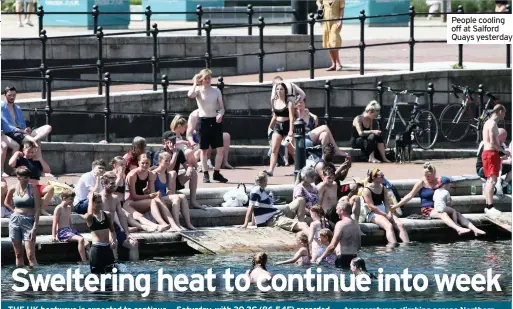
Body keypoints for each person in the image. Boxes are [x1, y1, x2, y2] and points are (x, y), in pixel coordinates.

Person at [187, 69, 228, 183]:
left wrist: (220, 114)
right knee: (204, 150)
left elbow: (222, 108)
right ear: (201, 79)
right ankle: (205, 173)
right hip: (203, 120)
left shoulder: (216, 91)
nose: (207, 80)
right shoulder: (199, 91)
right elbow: (190, 95)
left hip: (215, 120)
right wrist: (195, 83)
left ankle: (216, 172)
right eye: (205, 78)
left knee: (220, 149)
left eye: (209, 78)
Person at [2, 86, 52, 176]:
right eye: (9, 95)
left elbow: (22, 124)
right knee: (34, 142)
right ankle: (38, 169)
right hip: (12, 133)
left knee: (48, 127)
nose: (12, 97)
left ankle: (33, 139)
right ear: (5, 95)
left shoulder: (17, 108)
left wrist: (26, 129)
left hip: (22, 133)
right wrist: (21, 130)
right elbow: (6, 126)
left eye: (14, 95)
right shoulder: (2, 107)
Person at [240, 171, 308, 233]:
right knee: (304, 225)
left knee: (300, 200)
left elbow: (255, 207)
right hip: (273, 219)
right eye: (266, 181)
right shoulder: (256, 190)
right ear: (264, 181)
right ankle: (306, 233)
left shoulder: (259, 190)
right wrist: (245, 224)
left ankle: (300, 223)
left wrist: (253, 222)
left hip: (278, 214)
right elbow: (251, 206)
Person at [153, 131, 204, 210]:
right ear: (165, 141)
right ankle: (173, 203)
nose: (173, 143)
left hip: (175, 181)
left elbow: (186, 164)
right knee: (172, 173)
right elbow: (168, 168)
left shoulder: (178, 151)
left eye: (174, 140)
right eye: (170, 141)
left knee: (193, 173)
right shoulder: (160, 153)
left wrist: (189, 168)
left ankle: (193, 201)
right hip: (162, 182)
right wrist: (174, 154)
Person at [362, 168, 409, 247]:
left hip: (384, 210)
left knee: (401, 225)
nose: (384, 178)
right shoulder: (367, 190)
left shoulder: (383, 188)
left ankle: (407, 246)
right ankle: (392, 246)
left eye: (383, 176)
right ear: (374, 177)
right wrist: (385, 215)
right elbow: (372, 206)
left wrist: (389, 213)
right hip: (372, 213)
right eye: (381, 176)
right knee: (389, 226)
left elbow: (387, 203)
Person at [100, 173, 141, 261]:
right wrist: (110, 235)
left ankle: (135, 269)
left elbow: (121, 216)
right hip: (102, 230)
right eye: (111, 183)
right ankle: (115, 268)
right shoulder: (98, 199)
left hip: (115, 228)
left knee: (134, 243)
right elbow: (98, 219)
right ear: (104, 184)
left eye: (114, 183)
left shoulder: (115, 198)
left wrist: (127, 233)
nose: (114, 185)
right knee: (114, 243)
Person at [4, 166, 41, 267]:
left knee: (30, 255)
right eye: (24, 177)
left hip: (29, 220)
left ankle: (35, 280)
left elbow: (38, 208)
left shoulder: (32, 188)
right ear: (18, 177)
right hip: (15, 220)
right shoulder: (13, 188)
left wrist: (35, 228)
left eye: (28, 176)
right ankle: (19, 280)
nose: (27, 179)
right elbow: (6, 202)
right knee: (18, 254)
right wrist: (13, 211)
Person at [152, 151, 197, 230]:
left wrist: (170, 191)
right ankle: (177, 224)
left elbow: (169, 190)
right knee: (176, 198)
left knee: (182, 196)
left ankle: (188, 224)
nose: (168, 163)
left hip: (164, 197)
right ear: (159, 161)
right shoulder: (153, 174)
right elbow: (151, 192)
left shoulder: (167, 174)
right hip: (157, 198)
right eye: (166, 161)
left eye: (169, 161)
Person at [9, 140, 54, 216]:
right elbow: (11, 163)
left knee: (50, 188)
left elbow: (48, 170)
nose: (30, 154)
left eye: (32, 152)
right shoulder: (21, 160)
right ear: (23, 150)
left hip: (36, 187)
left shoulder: (36, 161)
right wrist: (16, 153)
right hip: (25, 188)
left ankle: (42, 209)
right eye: (28, 152)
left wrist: (40, 159)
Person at [125, 154, 171, 228]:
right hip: (130, 201)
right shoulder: (132, 175)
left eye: (147, 163)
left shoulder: (150, 173)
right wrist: (149, 196)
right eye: (143, 163)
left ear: (150, 163)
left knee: (158, 199)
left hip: (141, 199)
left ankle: (172, 223)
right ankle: (162, 224)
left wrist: (155, 194)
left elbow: (150, 191)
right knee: (152, 201)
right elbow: (133, 196)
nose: (145, 165)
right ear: (138, 162)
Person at [315, 200, 360, 268]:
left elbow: (332, 245)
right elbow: (359, 246)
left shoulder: (340, 224)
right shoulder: (356, 224)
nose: (336, 212)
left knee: (340, 278)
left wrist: (321, 258)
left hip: (343, 258)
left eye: (337, 210)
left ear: (341, 211)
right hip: (354, 258)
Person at [265, 82, 296, 176]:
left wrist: (291, 130)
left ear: (285, 91)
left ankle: (300, 167)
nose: (279, 91)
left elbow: (291, 117)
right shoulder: (274, 101)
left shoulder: (289, 103)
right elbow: (275, 115)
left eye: (281, 89)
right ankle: (271, 170)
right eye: (277, 89)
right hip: (278, 126)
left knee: (291, 150)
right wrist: (270, 126)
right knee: (274, 149)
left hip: (287, 125)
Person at [481, 104, 507, 215]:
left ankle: (488, 206)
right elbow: (492, 142)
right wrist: (504, 151)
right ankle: (490, 207)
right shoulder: (492, 124)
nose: (504, 115)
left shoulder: (487, 123)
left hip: (486, 153)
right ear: (500, 111)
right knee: (492, 181)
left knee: (489, 181)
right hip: (491, 154)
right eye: (504, 113)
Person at [52, 189, 90, 262]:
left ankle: (92, 261)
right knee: (81, 239)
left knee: (87, 243)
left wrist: (73, 230)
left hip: (70, 230)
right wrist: (53, 236)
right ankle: (84, 261)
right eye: (71, 199)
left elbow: (69, 220)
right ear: (64, 198)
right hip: (62, 232)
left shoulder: (69, 208)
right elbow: (55, 223)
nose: (72, 201)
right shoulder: (58, 208)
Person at [84, 192, 117, 274]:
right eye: (97, 202)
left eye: (101, 201)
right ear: (92, 203)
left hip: (107, 249)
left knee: (112, 275)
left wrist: (113, 240)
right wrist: (90, 200)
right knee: (97, 277)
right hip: (96, 250)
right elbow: (89, 214)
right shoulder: (89, 218)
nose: (100, 204)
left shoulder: (107, 215)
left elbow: (112, 230)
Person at [317, 0, 344, 71]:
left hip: (336, 21)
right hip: (326, 22)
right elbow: (318, 1)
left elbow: (341, 9)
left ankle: (338, 63)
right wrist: (319, 5)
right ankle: (333, 64)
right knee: (328, 42)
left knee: (334, 40)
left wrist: (340, 21)